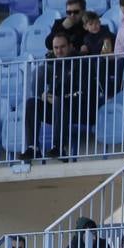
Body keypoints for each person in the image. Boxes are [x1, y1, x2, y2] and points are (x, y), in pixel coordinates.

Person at [20, 32, 89, 163]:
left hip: (78, 109)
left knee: (58, 100)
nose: (59, 51)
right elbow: (54, 91)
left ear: (70, 46)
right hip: (58, 111)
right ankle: (33, 147)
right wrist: (45, 96)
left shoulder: (81, 63)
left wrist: (60, 98)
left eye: (62, 47)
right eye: (56, 48)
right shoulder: (54, 65)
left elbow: (83, 92)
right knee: (31, 103)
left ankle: (58, 147)